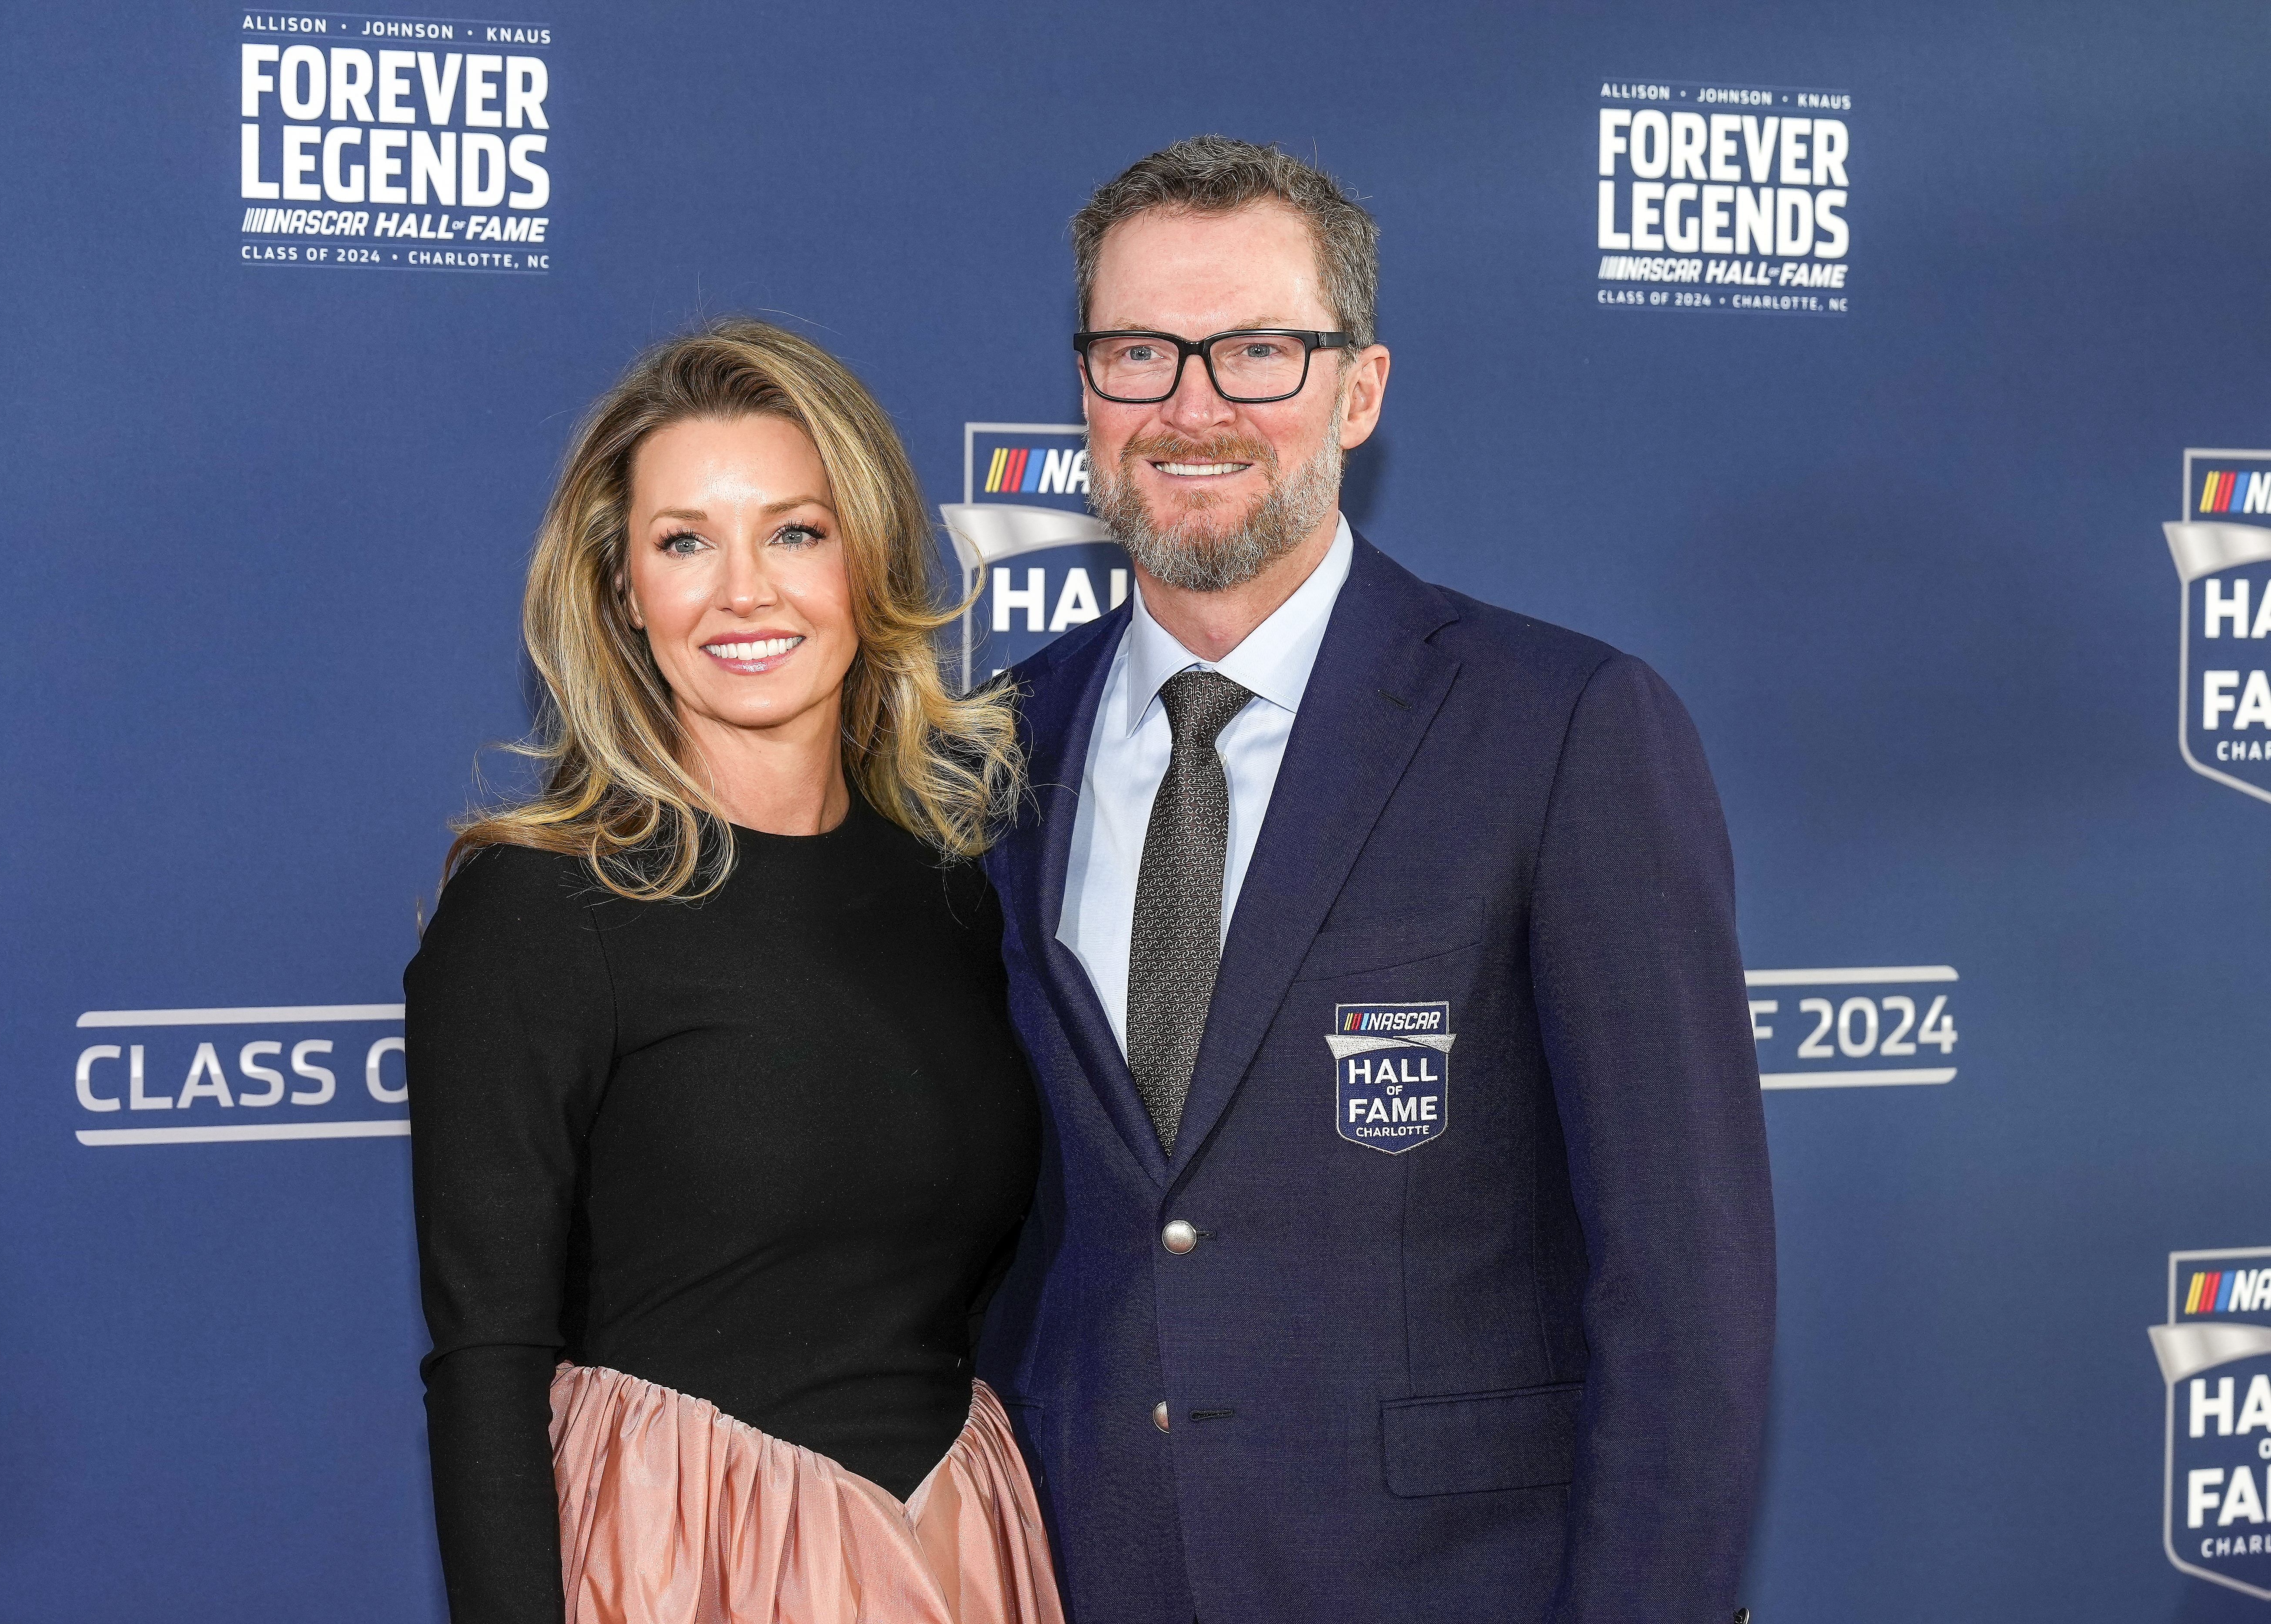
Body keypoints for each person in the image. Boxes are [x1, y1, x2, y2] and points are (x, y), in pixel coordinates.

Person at [974, 137, 1776, 1623]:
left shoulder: (1566, 729)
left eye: (1258, 351)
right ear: (1087, 389)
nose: (1193, 406)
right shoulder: (993, 754)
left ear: (1360, 389)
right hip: (1079, 1576)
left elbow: (1687, 1295)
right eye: (1141, 351)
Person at [405, 320, 1064, 1624]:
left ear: (868, 558)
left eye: (795, 532)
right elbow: (486, 1362)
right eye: (684, 541)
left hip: (958, 1550)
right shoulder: (541, 908)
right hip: (683, 1559)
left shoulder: (951, 891)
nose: (743, 591)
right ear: (622, 593)